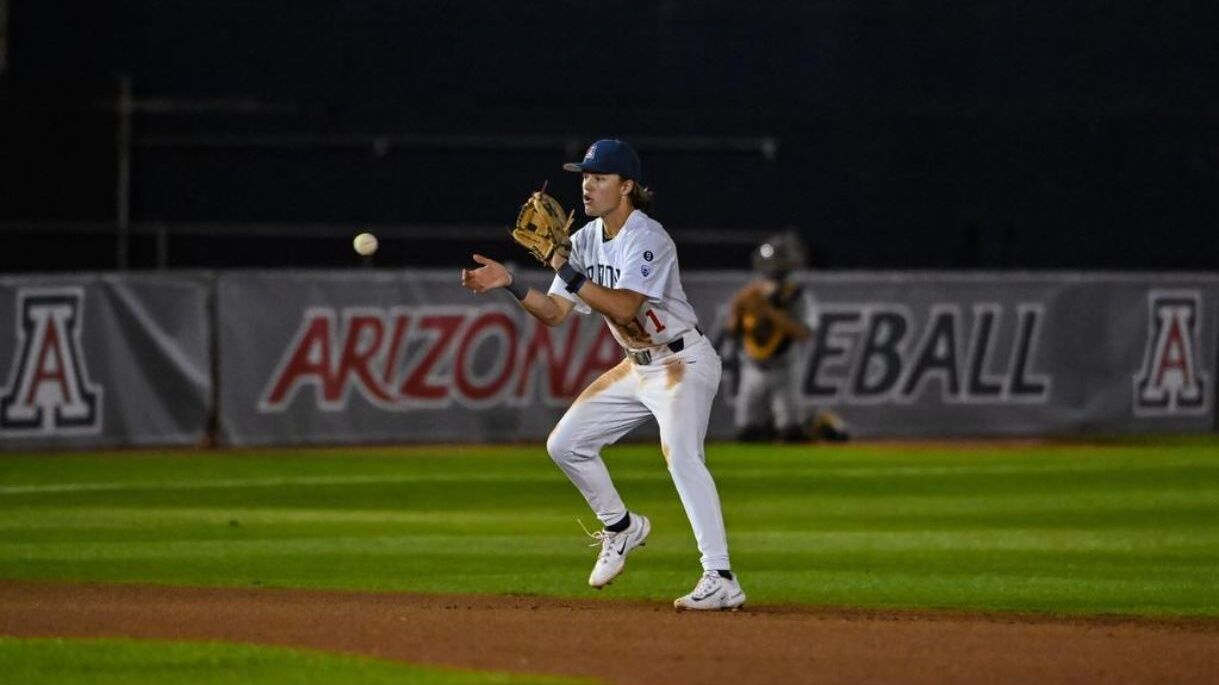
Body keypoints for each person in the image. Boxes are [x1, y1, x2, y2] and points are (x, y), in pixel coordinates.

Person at [460, 139, 744, 611]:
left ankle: (720, 575)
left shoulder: (647, 237)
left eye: (599, 178)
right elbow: (554, 313)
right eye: (584, 177)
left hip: (682, 362)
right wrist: (511, 284)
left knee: (683, 459)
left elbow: (623, 305)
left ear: (626, 186)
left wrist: (560, 265)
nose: (587, 186)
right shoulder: (587, 239)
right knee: (565, 444)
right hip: (637, 365)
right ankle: (621, 527)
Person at [723, 231, 849, 443]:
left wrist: (770, 313)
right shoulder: (750, 294)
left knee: (791, 434)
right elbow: (732, 331)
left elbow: (804, 333)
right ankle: (795, 423)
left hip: (784, 368)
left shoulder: (796, 295)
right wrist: (736, 308)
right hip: (752, 368)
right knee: (747, 434)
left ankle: (816, 422)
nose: (774, 268)